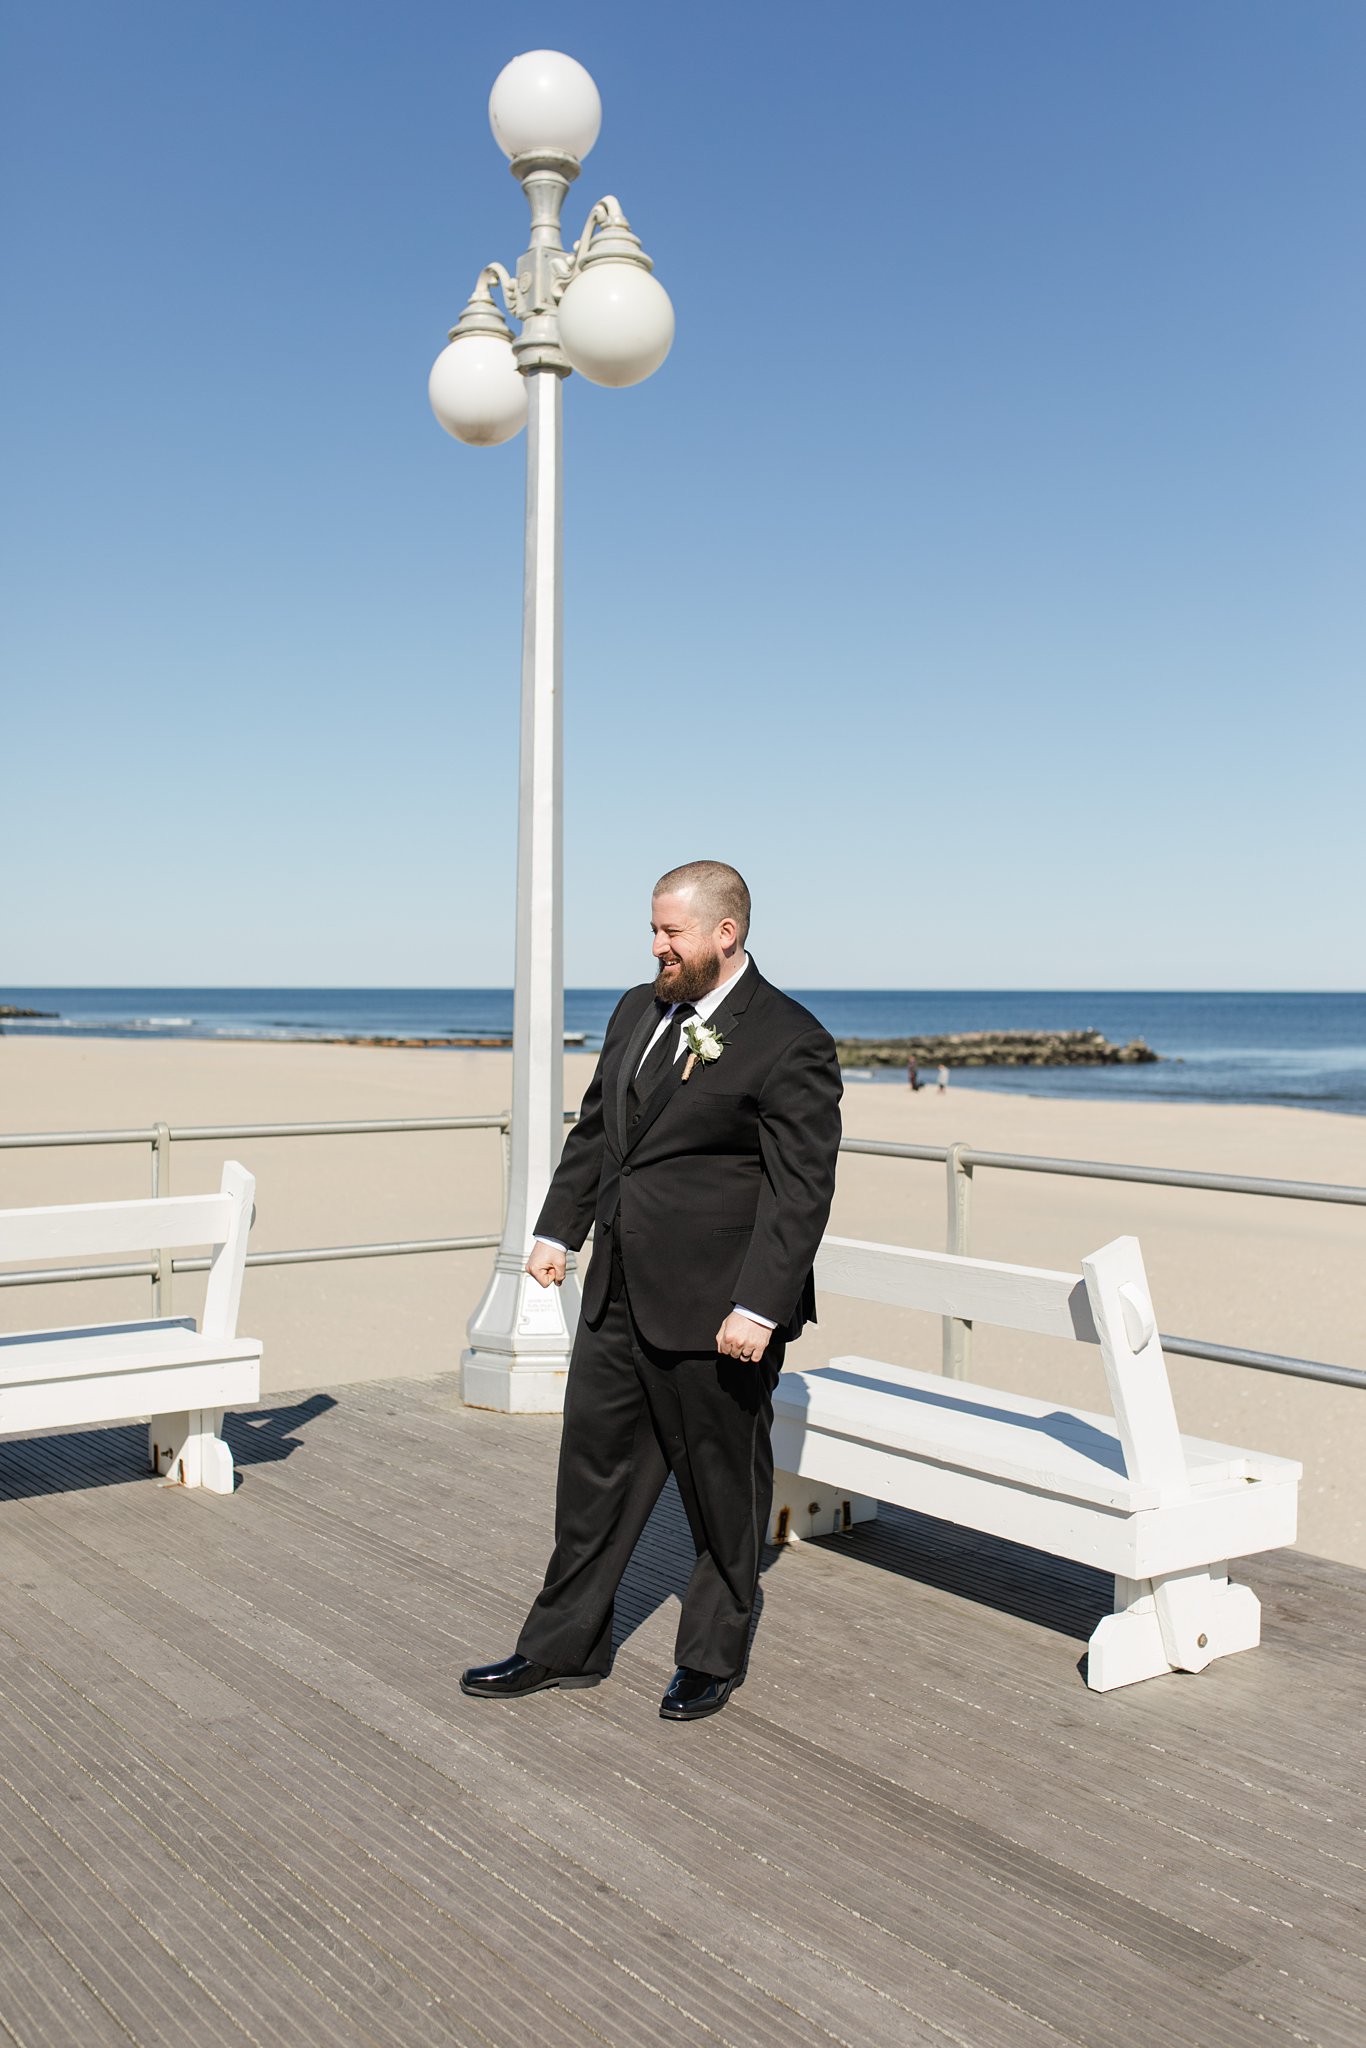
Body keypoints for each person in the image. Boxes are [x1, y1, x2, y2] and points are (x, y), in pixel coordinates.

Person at [460, 860, 843, 1723]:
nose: (657, 946)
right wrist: (560, 1229)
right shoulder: (639, 1008)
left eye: (671, 932)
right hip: (618, 1293)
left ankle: (710, 1656)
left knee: (720, 1489)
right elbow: (599, 1130)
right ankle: (560, 1647)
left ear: (725, 934)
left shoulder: (791, 1039)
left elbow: (800, 1190)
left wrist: (759, 1307)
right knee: (591, 1474)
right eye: (654, 931)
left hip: (720, 1312)